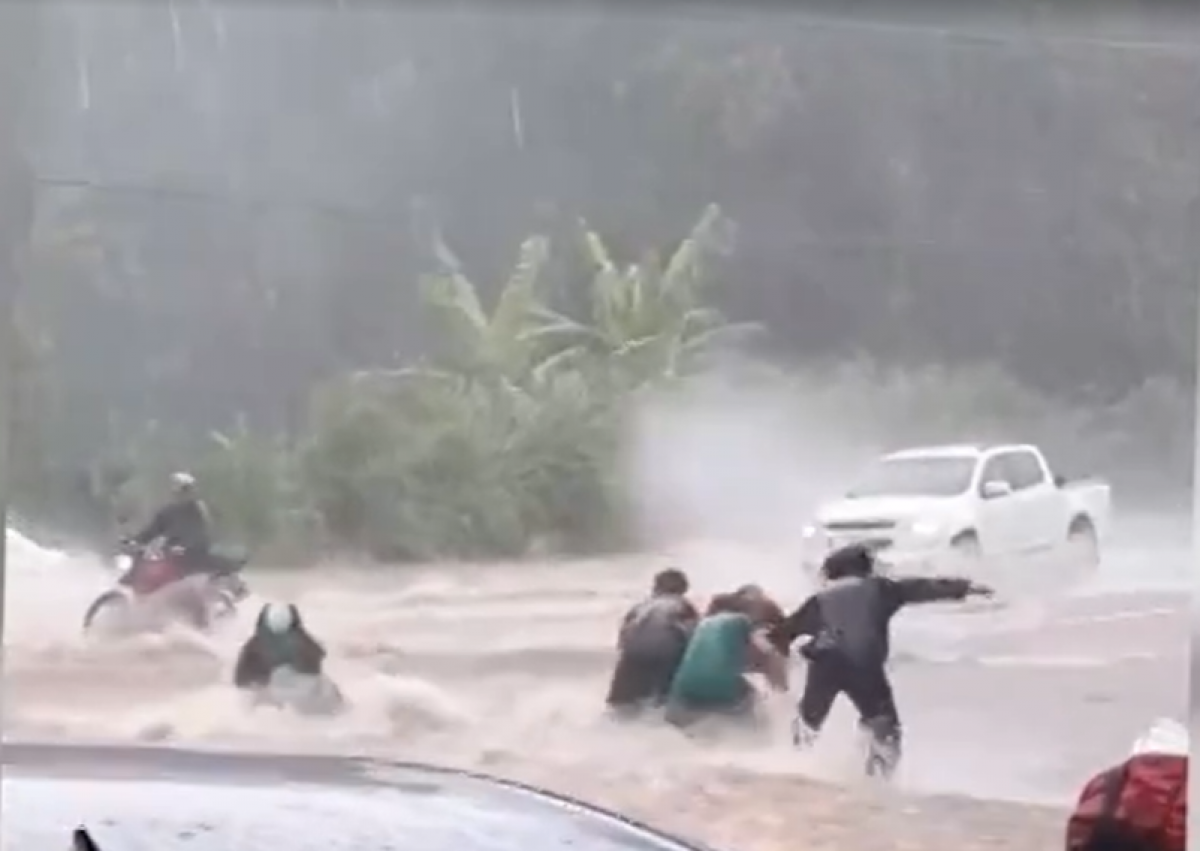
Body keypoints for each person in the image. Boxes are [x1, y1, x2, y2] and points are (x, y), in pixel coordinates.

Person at [770, 543, 993, 779]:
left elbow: (782, 634)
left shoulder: (819, 600)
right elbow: (923, 587)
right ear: (866, 569)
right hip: (863, 664)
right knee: (885, 727)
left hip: (825, 661)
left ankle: (792, 766)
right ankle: (876, 781)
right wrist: (966, 587)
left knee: (809, 722)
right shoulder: (881, 589)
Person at [664, 591, 789, 729]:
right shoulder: (742, 620)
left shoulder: (702, 624)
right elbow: (767, 651)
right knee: (752, 700)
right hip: (725, 687)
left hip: (684, 688)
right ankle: (759, 740)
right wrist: (782, 690)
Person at [606, 568, 699, 715]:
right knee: (662, 702)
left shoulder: (639, 607)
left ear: (655, 587)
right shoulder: (684, 606)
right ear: (684, 589)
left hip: (632, 653)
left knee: (621, 705)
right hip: (665, 653)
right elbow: (694, 640)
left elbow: (623, 638)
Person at [127, 472, 231, 581]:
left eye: (186, 489)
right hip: (174, 557)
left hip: (193, 557)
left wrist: (186, 547)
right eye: (181, 489)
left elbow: (201, 534)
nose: (183, 493)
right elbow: (151, 531)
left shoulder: (200, 510)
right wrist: (134, 540)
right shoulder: (168, 512)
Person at [233, 602, 327, 690]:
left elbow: (318, 655)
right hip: (267, 694)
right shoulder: (254, 646)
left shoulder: (302, 640)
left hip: (299, 692)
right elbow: (241, 680)